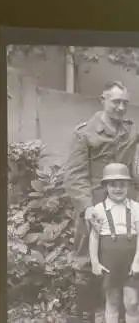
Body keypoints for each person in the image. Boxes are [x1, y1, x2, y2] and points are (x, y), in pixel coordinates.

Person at [63, 81, 139, 323]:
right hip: (94, 203)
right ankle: (84, 315)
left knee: (128, 259)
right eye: (115, 101)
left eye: (125, 103)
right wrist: (86, 208)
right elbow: (75, 175)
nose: (120, 107)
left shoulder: (130, 131)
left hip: (125, 204)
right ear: (102, 100)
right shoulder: (85, 133)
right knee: (86, 259)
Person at [87, 163, 139, 323]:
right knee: (112, 300)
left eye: (122, 184)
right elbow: (94, 237)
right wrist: (95, 262)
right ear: (106, 186)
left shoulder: (136, 207)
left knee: (132, 302)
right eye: (113, 185)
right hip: (109, 261)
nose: (118, 189)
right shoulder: (98, 209)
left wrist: (137, 261)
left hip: (131, 260)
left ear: (129, 186)